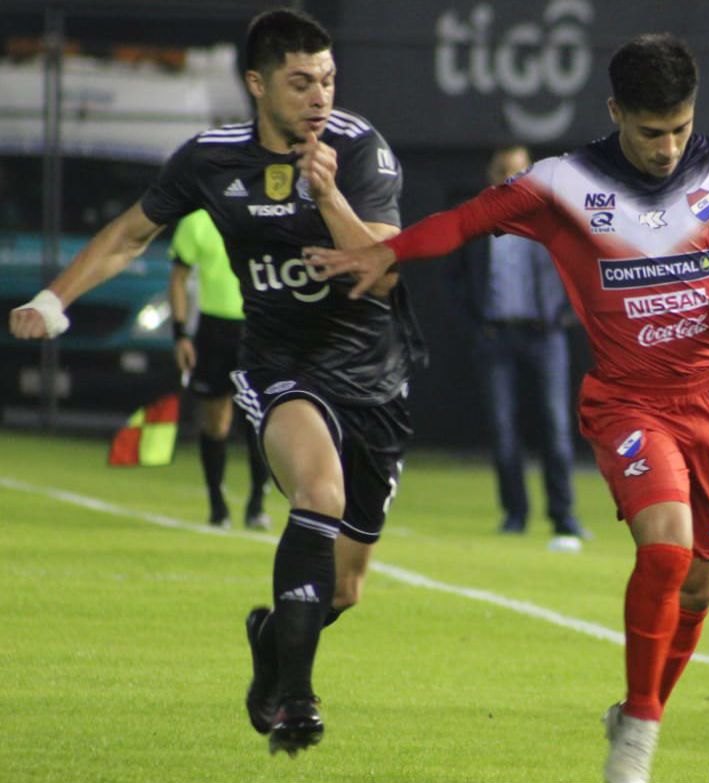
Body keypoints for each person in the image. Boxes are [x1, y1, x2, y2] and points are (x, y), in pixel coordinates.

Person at [304, 33, 709, 783]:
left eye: (679, 128)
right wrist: (389, 251)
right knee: (666, 550)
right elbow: (466, 221)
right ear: (615, 112)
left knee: (702, 580)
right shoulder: (564, 184)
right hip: (629, 403)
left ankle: (638, 708)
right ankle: (638, 734)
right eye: (650, 131)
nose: (667, 148)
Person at [10, 8, 418, 757]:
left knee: (345, 587)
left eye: (328, 80)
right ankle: (295, 699)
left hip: (373, 377)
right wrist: (52, 301)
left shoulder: (360, 149)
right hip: (280, 366)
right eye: (301, 83)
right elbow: (130, 234)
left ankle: (272, 643)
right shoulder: (210, 157)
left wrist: (329, 196)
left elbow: (386, 269)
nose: (320, 97)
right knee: (317, 494)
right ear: (257, 84)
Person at [456, 144, 590, 548]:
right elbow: (455, 279)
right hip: (496, 336)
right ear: (490, 174)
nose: (511, 178)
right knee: (503, 429)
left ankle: (564, 516)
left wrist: (566, 314)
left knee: (556, 426)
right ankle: (515, 514)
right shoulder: (475, 221)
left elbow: (583, 267)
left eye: (519, 170)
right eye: (504, 170)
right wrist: (476, 326)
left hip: (545, 335)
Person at [168, 209, 270, 529]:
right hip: (214, 329)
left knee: (262, 420)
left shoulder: (265, 212)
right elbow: (178, 278)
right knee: (215, 420)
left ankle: (257, 504)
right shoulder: (197, 220)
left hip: (258, 327)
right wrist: (181, 334)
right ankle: (217, 504)